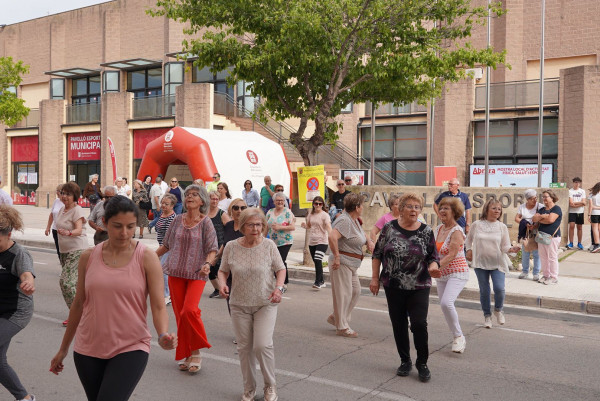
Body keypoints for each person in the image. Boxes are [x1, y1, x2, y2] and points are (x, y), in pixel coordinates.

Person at [49, 196, 177, 400]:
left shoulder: (146, 257)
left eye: (131, 226)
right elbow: (79, 304)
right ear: (105, 223)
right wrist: (63, 349)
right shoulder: (88, 257)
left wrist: (162, 334)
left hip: (131, 346)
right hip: (88, 347)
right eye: (117, 226)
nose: (125, 233)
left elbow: (158, 306)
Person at [218, 208, 286, 401]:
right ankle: (249, 388)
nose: (256, 229)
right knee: (244, 348)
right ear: (242, 226)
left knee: (262, 345)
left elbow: (281, 269)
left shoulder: (269, 245)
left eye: (259, 225)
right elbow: (222, 271)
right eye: (251, 224)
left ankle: (270, 386)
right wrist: (222, 285)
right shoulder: (231, 246)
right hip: (239, 304)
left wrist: (279, 289)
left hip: (265, 302)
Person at [370, 193, 438, 382]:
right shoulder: (388, 229)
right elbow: (377, 254)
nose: (414, 210)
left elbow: (433, 257)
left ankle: (422, 363)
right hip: (393, 285)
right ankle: (405, 361)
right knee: (398, 324)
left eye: (417, 207)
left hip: (419, 285)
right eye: (409, 206)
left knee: (418, 324)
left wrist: (433, 267)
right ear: (400, 209)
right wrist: (374, 278)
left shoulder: (426, 231)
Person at [156, 184, 217, 373]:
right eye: (188, 194)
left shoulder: (206, 222)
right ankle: (187, 353)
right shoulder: (177, 220)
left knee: (189, 311)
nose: (190, 197)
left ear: (202, 201)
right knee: (180, 315)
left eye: (195, 195)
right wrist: (146, 259)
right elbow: (165, 245)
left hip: (197, 273)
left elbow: (212, 248)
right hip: (175, 272)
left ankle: (196, 351)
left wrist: (207, 264)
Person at [0, 206, 36, 401]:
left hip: (16, 312)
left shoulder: (19, 254)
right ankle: (25, 398)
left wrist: (28, 282)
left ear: (9, 235)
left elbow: (26, 274)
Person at [466, 199, 519, 328]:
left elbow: (505, 247)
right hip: (480, 263)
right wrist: (468, 250)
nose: (497, 211)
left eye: (499, 209)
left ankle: (498, 310)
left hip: (497, 263)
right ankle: (487, 316)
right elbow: (468, 240)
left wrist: (512, 250)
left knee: (499, 289)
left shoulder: (502, 227)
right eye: (494, 208)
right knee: (484, 290)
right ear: (487, 209)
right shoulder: (476, 224)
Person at [327, 193, 374, 338]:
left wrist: (369, 241)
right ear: (357, 207)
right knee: (344, 294)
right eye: (362, 204)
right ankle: (341, 326)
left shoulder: (354, 220)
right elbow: (332, 236)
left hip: (352, 264)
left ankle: (337, 317)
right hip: (342, 263)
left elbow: (361, 235)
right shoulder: (344, 220)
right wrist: (336, 257)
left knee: (355, 291)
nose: (363, 207)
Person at [434, 197, 469, 354]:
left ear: (455, 212)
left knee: (446, 303)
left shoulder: (457, 231)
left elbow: (453, 254)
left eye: (446, 208)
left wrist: (435, 266)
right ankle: (457, 336)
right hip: (441, 274)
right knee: (444, 305)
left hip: (457, 271)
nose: (442, 211)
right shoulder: (438, 230)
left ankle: (459, 337)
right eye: (441, 208)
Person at [55, 182, 88, 327]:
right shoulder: (62, 209)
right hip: (64, 251)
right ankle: (80, 312)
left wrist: (68, 233)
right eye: (63, 193)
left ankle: (78, 315)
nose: (64, 196)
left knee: (66, 282)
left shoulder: (77, 210)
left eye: (68, 194)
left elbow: (79, 230)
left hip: (77, 250)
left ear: (75, 196)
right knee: (75, 283)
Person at [533, 190, 563, 284]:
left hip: (552, 237)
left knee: (552, 257)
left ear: (552, 197)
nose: (544, 199)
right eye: (543, 197)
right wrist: (543, 216)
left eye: (546, 196)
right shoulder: (542, 209)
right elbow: (534, 219)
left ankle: (554, 277)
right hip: (541, 236)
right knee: (543, 257)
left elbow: (550, 220)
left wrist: (540, 218)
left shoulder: (556, 209)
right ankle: (546, 275)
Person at [266, 192, 295, 289]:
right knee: (274, 262)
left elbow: (292, 227)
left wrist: (279, 227)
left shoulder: (287, 212)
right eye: (278, 200)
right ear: (274, 202)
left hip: (285, 241)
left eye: (282, 200)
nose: (280, 202)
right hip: (273, 242)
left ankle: (283, 283)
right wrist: (262, 237)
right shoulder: (270, 211)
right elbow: (266, 226)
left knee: (281, 261)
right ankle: (280, 280)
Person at [301, 196, 331, 289]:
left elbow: (328, 226)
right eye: (316, 203)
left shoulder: (325, 215)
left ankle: (318, 282)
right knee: (317, 262)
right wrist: (304, 226)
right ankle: (322, 281)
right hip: (312, 242)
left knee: (318, 260)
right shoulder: (311, 214)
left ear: (322, 205)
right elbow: (309, 226)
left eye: (320, 204)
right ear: (313, 204)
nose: (318, 205)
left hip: (322, 241)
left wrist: (332, 235)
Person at [515, 189, 543, 280]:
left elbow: (544, 218)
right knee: (525, 251)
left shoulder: (540, 206)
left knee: (536, 253)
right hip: (526, 232)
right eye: (532, 199)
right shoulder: (522, 207)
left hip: (536, 232)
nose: (535, 200)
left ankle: (536, 273)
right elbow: (517, 218)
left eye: (535, 198)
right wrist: (525, 223)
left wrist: (535, 225)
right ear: (528, 199)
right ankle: (525, 271)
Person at [207, 191, 231, 298]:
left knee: (218, 269)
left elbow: (230, 230)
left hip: (220, 245)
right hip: (207, 245)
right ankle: (218, 289)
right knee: (209, 269)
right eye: (213, 199)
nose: (215, 201)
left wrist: (225, 244)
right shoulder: (204, 213)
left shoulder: (222, 214)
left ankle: (225, 289)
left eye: (217, 199)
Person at [155, 193, 178, 306]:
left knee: (163, 271)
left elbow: (169, 237)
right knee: (164, 271)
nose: (163, 205)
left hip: (168, 248)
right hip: (161, 246)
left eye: (166, 204)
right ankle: (168, 293)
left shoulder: (172, 218)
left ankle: (167, 296)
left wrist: (159, 251)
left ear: (172, 205)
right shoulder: (162, 214)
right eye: (162, 203)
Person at [45, 184, 64, 258]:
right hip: (55, 229)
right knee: (59, 251)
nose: (57, 192)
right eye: (57, 191)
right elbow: (52, 215)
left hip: (63, 231)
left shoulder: (67, 203)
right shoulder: (56, 201)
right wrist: (48, 228)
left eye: (58, 191)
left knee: (64, 251)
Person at [567, 177, 586, 250]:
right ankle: (571, 243)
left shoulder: (582, 191)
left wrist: (576, 204)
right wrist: (580, 203)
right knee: (571, 226)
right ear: (573, 183)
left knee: (579, 227)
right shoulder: (570, 191)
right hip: (572, 212)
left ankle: (579, 243)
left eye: (578, 182)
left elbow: (584, 203)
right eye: (575, 182)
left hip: (580, 212)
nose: (577, 184)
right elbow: (571, 204)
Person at [588, 182, 600, 253]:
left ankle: (597, 244)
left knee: (595, 229)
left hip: (594, 213)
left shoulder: (591, 194)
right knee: (599, 229)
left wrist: (589, 215)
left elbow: (591, 206)